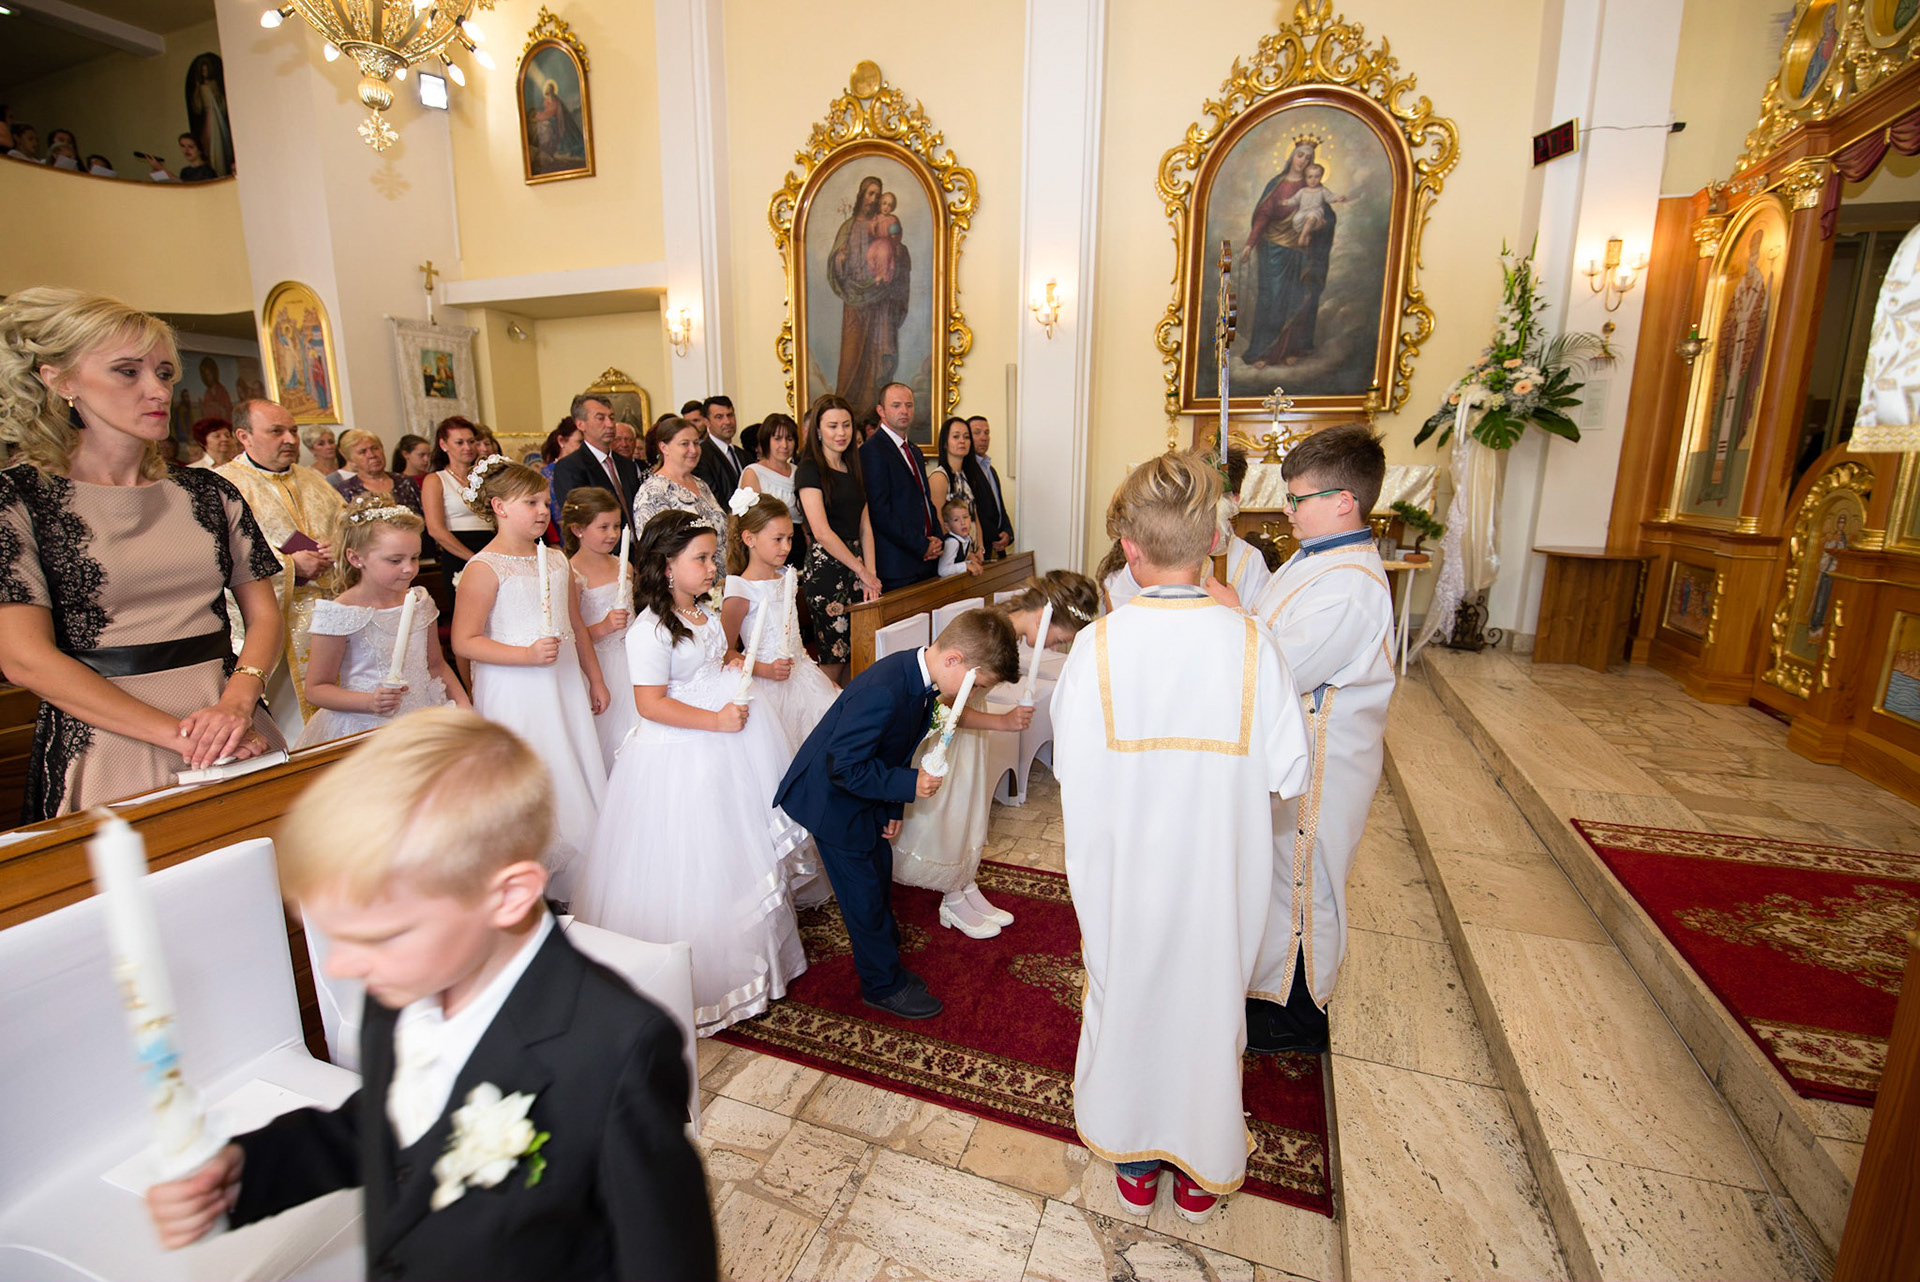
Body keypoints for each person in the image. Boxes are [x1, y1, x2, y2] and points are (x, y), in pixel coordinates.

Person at [144, 708, 718, 1281]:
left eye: (378, 936)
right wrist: (248, 1173)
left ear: (507, 896)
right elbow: (388, 1122)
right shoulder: (401, 986)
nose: (343, 966)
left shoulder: (616, 1053)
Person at [1052, 451, 1311, 1224]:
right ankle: (1201, 1168)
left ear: (1129, 550)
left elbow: (1069, 766)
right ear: (1214, 544)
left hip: (1126, 876)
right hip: (1215, 878)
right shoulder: (1254, 644)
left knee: (1128, 994)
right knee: (1207, 1007)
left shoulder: (1096, 646)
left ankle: (1134, 1164)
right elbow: (1289, 775)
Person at [0, 288, 285, 820]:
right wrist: (186, 738)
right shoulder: (19, 500)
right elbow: (23, 658)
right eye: (127, 372)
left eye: (164, 373)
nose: (157, 390)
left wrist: (238, 701)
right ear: (61, 381)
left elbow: (264, 615)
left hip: (232, 721)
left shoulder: (209, 492)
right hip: (112, 740)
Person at [575, 510, 809, 1034]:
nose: (711, 568)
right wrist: (716, 720)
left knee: (729, 851)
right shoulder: (649, 630)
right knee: (690, 861)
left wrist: (730, 663)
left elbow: (712, 657)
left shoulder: (701, 613)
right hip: (677, 756)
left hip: (723, 750)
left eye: (712, 557)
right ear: (665, 565)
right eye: (700, 559)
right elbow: (651, 705)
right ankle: (693, 972)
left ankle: (737, 944)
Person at [776, 609, 1020, 1019]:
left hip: (866, 795)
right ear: (954, 659)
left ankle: (886, 959)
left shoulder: (921, 678)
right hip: (833, 804)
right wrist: (909, 785)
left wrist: (893, 805)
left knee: (878, 878)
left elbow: (897, 748)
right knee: (864, 899)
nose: (974, 694)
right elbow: (843, 767)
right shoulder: (886, 690)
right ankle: (882, 986)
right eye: (977, 685)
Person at [1243, 424, 1396, 1055]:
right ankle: (1271, 992)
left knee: (1307, 883)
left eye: (1297, 498)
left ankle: (1298, 1017)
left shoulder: (1351, 585)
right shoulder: (1316, 558)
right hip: (1296, 749)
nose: (1287, 509)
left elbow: (1284, 669)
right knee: (1281, 877)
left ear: (1343, 502)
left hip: (1324, 760)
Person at [894, 572, 1097, 936]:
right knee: (951, 813)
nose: (1055, 646)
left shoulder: (1005, 629)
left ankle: (964, 882)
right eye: (1059, 639)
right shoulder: (989, 636)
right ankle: (952, 896)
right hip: (950, 737)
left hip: (969, 735)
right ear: (1043, 618)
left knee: (970, 809)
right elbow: (942, 709)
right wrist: (1002, 722)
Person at [451, 458, 609, 898]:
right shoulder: (484, 567)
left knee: (571, 761)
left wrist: (595, 678)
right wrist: (525, 654)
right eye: (531, 503)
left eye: (545, 502)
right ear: (499, 507)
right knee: (534, 769)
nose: (543, 511)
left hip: (562, 683)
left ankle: (584, 875)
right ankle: (534, 880)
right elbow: (464, 641)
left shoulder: (556, 560)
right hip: (515, 689)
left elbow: (576, 626)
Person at [218, 398, 347, 735]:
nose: (290, 439)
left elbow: (347, 527)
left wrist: (341, 548)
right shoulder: (222, 486)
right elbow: (218, 556)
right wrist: (288, 565)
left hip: (327, 618)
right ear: (244, 436)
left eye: (293, 431)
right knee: (291, 726)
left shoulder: (314, 480)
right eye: (276, 432)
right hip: (273, 623)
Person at [295, 499, 465, 748]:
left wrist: (464, 705)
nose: (409, 569)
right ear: (355, 558)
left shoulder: (419, 601)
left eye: (415, 558)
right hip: (366, 726)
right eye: (395, 560)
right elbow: (316, 689)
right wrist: (369, 701)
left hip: (425, 715)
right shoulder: (339, 612)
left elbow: (437, 666)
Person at [722, 492, 839, 750]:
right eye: (777, 539)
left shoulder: (787, 578)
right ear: (749, 539)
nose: (786, 547)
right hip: (766, 685)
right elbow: (724, 653)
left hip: (802, 676)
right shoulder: (741, 590)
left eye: (789, 538)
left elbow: (794, 638)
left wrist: (820, 679)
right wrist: (765, 670)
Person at [1100, 445, 1268, 611]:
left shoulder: (1250, 559)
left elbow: (1258, 621)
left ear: (1233, 501)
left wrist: (1232, 609)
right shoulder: (1155, 545)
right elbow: (1121, 602)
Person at [796, 394, 880, 682]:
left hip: (858, 568)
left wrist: (871, 574)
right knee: (834, 657)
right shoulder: (809, 469)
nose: (841, 433)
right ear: (817, 430)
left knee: (858, 656)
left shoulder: (853, 466)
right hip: (827, 571)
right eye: (832, 426)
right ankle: (822, 710)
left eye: (846, 425)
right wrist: (862, 570)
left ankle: (846, 709)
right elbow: (821, 531)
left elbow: (865, 527)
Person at [562, 487, 637, 771]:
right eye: (603, 527)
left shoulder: (624, 566)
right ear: (578, 529)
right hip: (600, 663)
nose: (613, 534)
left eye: (617, 526)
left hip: (633, 658)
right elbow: (572, 634)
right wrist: (604, 627)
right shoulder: (572, 574)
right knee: (613, 733)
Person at [860, 382, 942, 592]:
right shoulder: (872, 450)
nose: (904, 411)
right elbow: (880, 512)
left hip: (927, 560)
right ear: (881, 411)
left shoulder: (914, 450)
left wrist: (937, 539)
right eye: (896, 405)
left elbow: (924, 500)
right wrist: (921, 545)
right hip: (898, 565)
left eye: (909, 405)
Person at [551, 392, 642, 529]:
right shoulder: (570, 467)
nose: (610, 424)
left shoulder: (626, 465)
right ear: (581, 424)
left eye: (612, 418)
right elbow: (580, 516)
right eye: (601, 418)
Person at [420, 416, 490, 589]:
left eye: (471, 441)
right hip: (458, 551)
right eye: (459, 443)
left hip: (490, 546)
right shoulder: (435, 480)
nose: (467, 447)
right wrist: (473, 558)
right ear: (444, 445)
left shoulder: (486, 477)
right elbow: (435, 529)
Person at [633, 416, 727, 535]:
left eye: (696, 443)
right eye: (684, 444)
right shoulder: (653, 491)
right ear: (664, 448)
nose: (693, 450)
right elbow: (653, 543)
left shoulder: (701, 484)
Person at [331, 427, 423, 514]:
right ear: (351, 460)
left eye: (375, 448)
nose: (372, 455)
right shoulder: (343, 491)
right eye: (362, 452)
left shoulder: (406, 482)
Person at [964, 415, 1014, 557]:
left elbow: (999, 508)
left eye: (986, 433)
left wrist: (1007, 533)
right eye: (977, 433)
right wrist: (995, 536)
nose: (983, 438)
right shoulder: (965, 471)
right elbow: (975, 513)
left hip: (997, 548)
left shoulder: (991, 470)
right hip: (979, 550)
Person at [693, 394, 749, 506]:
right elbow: (712, 499)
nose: (727, 421)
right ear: (706, 422)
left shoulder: (744, 455)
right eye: (719, 417)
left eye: (730, 415)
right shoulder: (701, 455)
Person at [927, 415, 976, 530]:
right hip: (952, 541)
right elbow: (938, 520)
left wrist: (980, 541)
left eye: (966, 437)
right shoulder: (939, 477)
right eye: (956, 437)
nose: (962, 441)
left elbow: (974, 516)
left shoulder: (967, 475)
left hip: (971, 540)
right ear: (945, 443)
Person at [936, 499, 982, 578]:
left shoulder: (966, 539)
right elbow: (943, 570)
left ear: (970, 519)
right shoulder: (952, 542)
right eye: (956, 520)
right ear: (947, 526)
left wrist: (971, 563)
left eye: (965, 517)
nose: (963, 522)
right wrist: (966, 565)